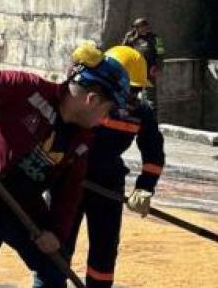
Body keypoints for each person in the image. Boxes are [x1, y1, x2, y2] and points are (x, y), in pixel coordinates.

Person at [0, 42, 129, 288]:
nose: (106, 119)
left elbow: (69, 190)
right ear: (91, 100)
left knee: (53, 267)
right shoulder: (28, 90)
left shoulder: (81, 138)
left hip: (19, 204)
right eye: (108, 110)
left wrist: (55, 233)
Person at [64, 46, 165, 288]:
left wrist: (144, 188)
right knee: (58, 245)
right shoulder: (82, 99)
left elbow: (153, 153)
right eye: (130, 89)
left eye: (137, 91)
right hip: (69, 181)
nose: (131, 96)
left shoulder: (141, 112)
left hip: (108, 185)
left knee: (104, 250)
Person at [122, 18, 165, 109]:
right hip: (135, 69)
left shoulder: (155, 38)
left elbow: (161, 53)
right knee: (132, 93)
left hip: (149, 69)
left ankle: (152, 115)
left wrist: (158, 66)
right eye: (137, 27)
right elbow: (124, 50)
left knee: (150, 96)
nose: (141, 29)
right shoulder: (130, 37)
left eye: (143, 27)